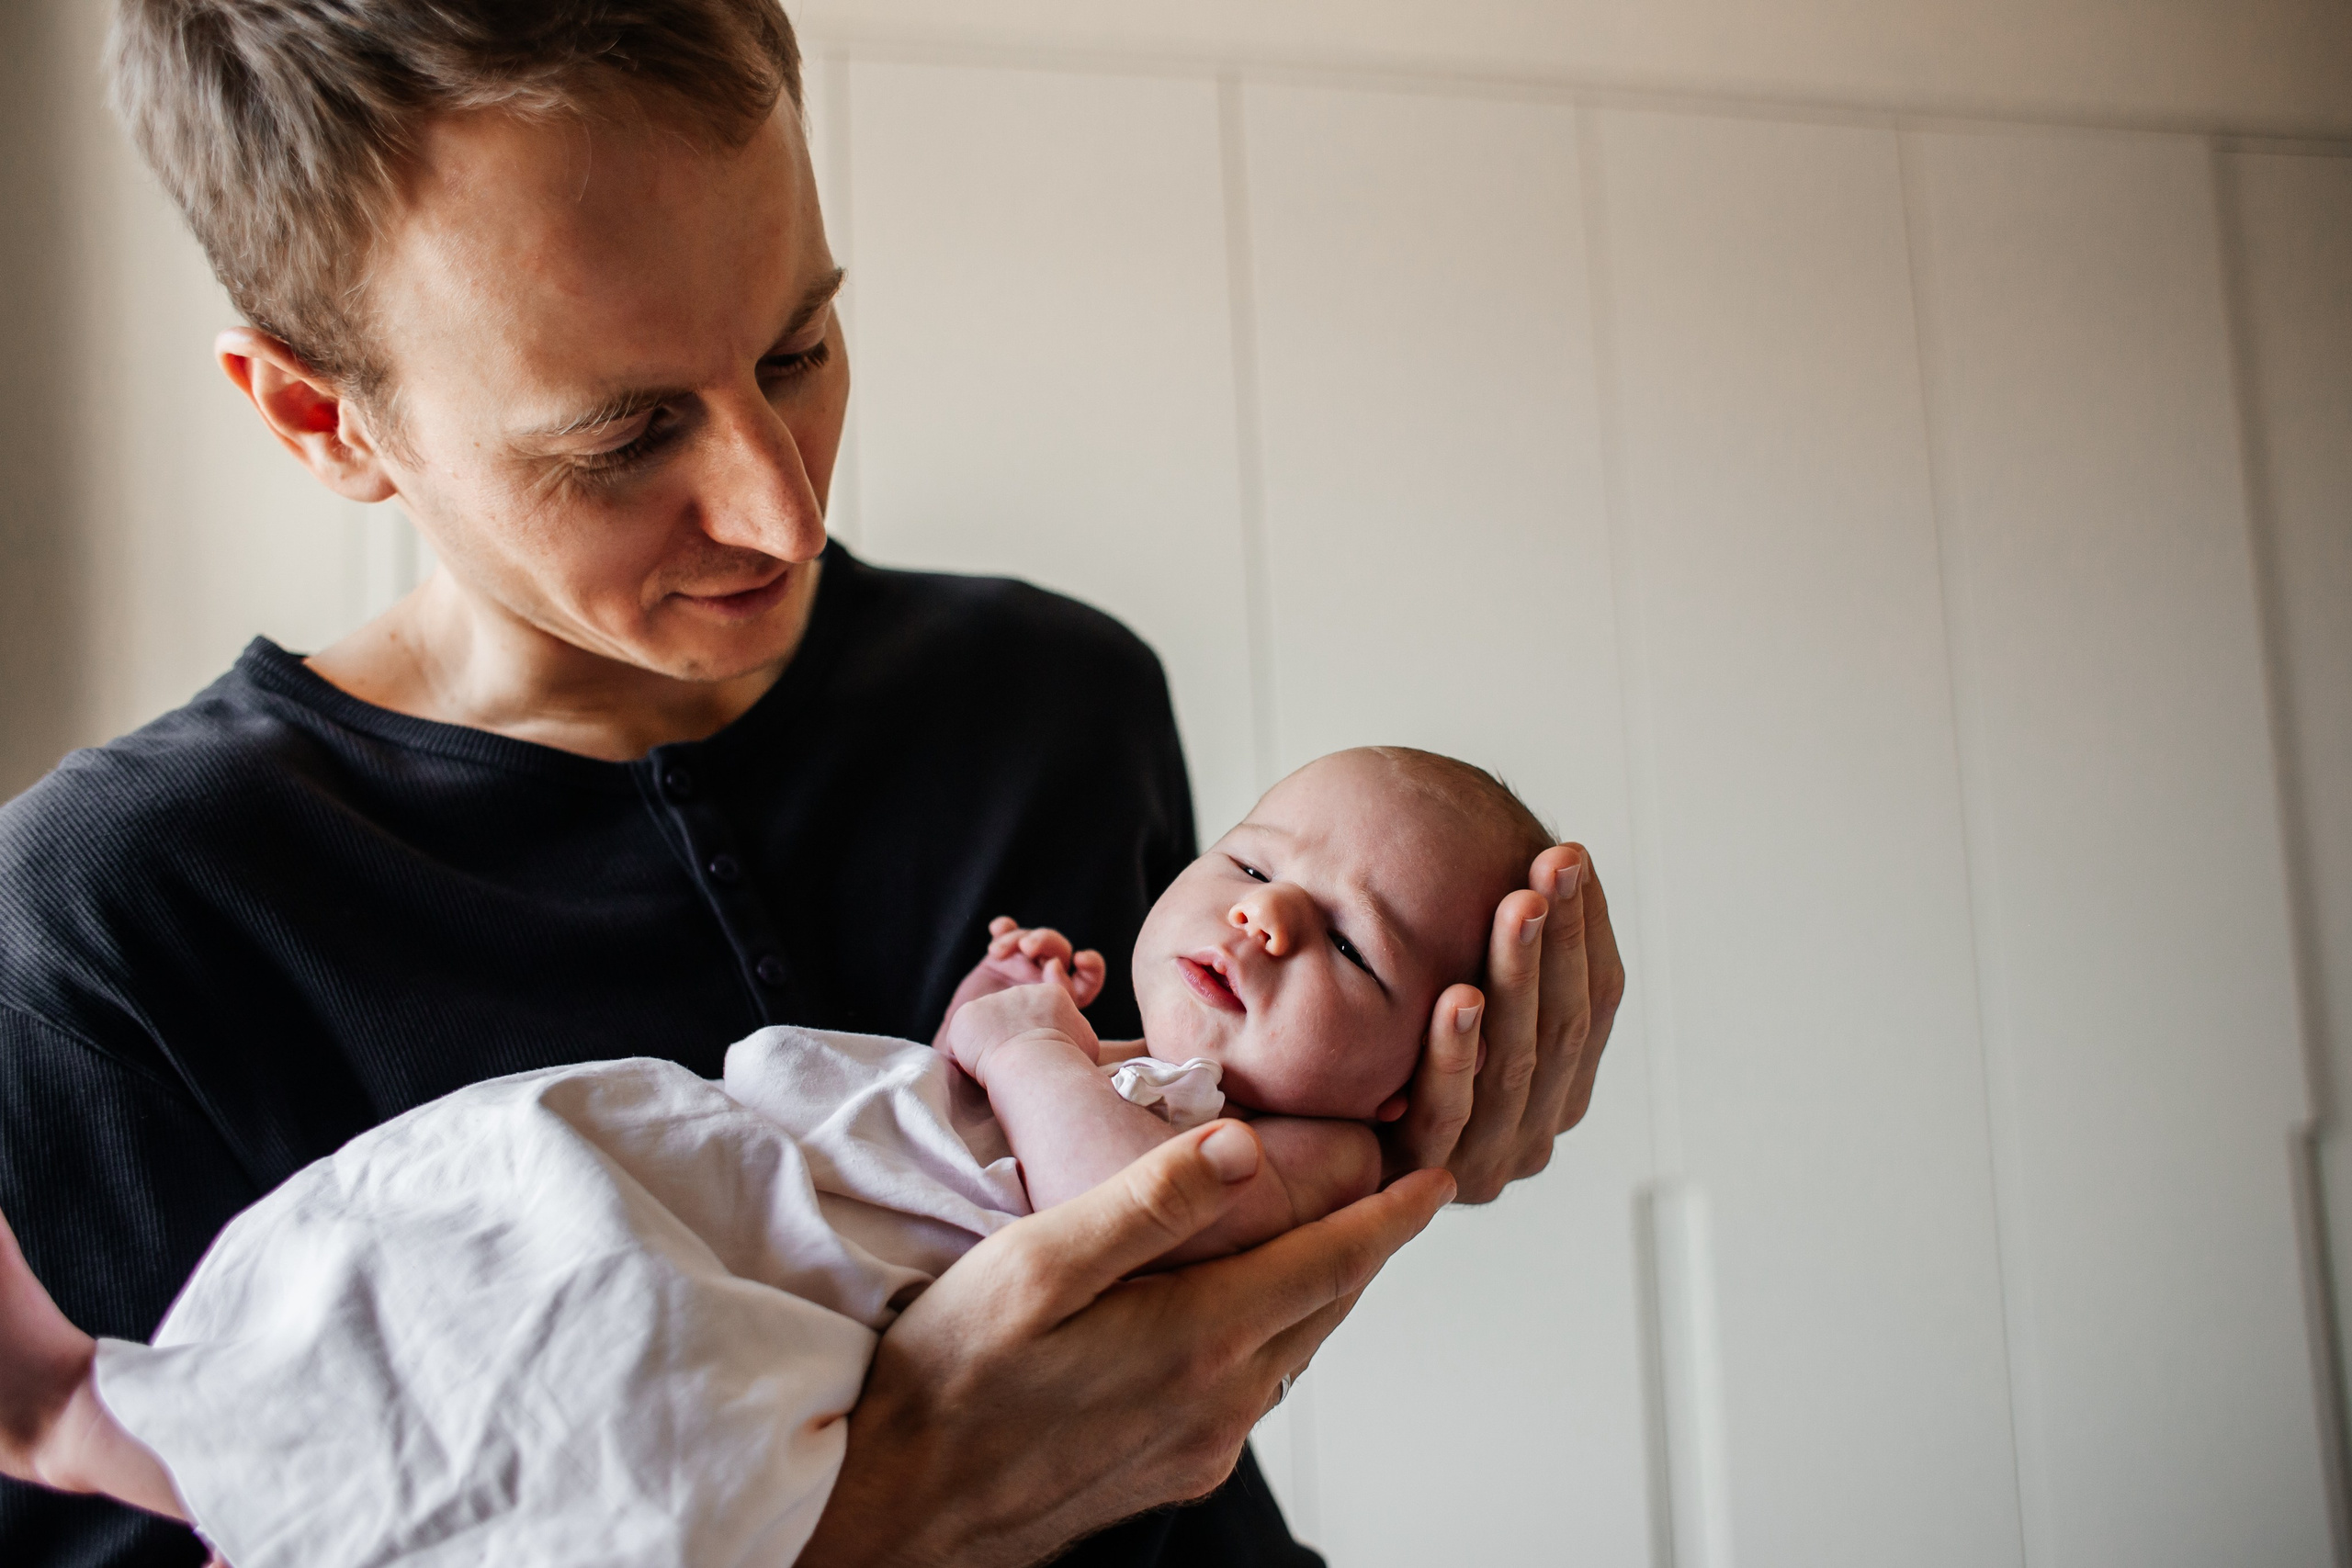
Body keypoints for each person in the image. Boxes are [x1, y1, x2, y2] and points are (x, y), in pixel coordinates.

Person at [0, 3, 1626, 1564]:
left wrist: (1423, 1121)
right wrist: (905, 1516)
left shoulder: (1061, 702)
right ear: (317, 414)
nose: (783, 514)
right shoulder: (104, 934)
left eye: (797, 348)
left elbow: (1196, 1216)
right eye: (622, 436)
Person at [0, 748, 1555, 1568]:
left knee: (599, 1388)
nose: (1261, 918)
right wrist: (999, 1017)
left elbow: (1124, 1228)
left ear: (1433, 1052)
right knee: (462, 1265)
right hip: (727, 1181)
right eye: (1253, 863)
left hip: (768, 1282)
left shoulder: (1309, 1167)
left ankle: (164, 1440)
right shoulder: (102, 899)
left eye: (1349, 945)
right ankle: (153, 1422)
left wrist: (1026, 1054)